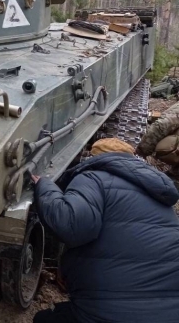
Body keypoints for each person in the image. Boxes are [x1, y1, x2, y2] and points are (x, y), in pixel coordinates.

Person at [31, 137, 179, 323]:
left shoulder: (93, 177)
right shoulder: (158, 193)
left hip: (111, 313)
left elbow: (71, 225)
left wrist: (45, 186)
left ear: (94, 158)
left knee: (43, 320)